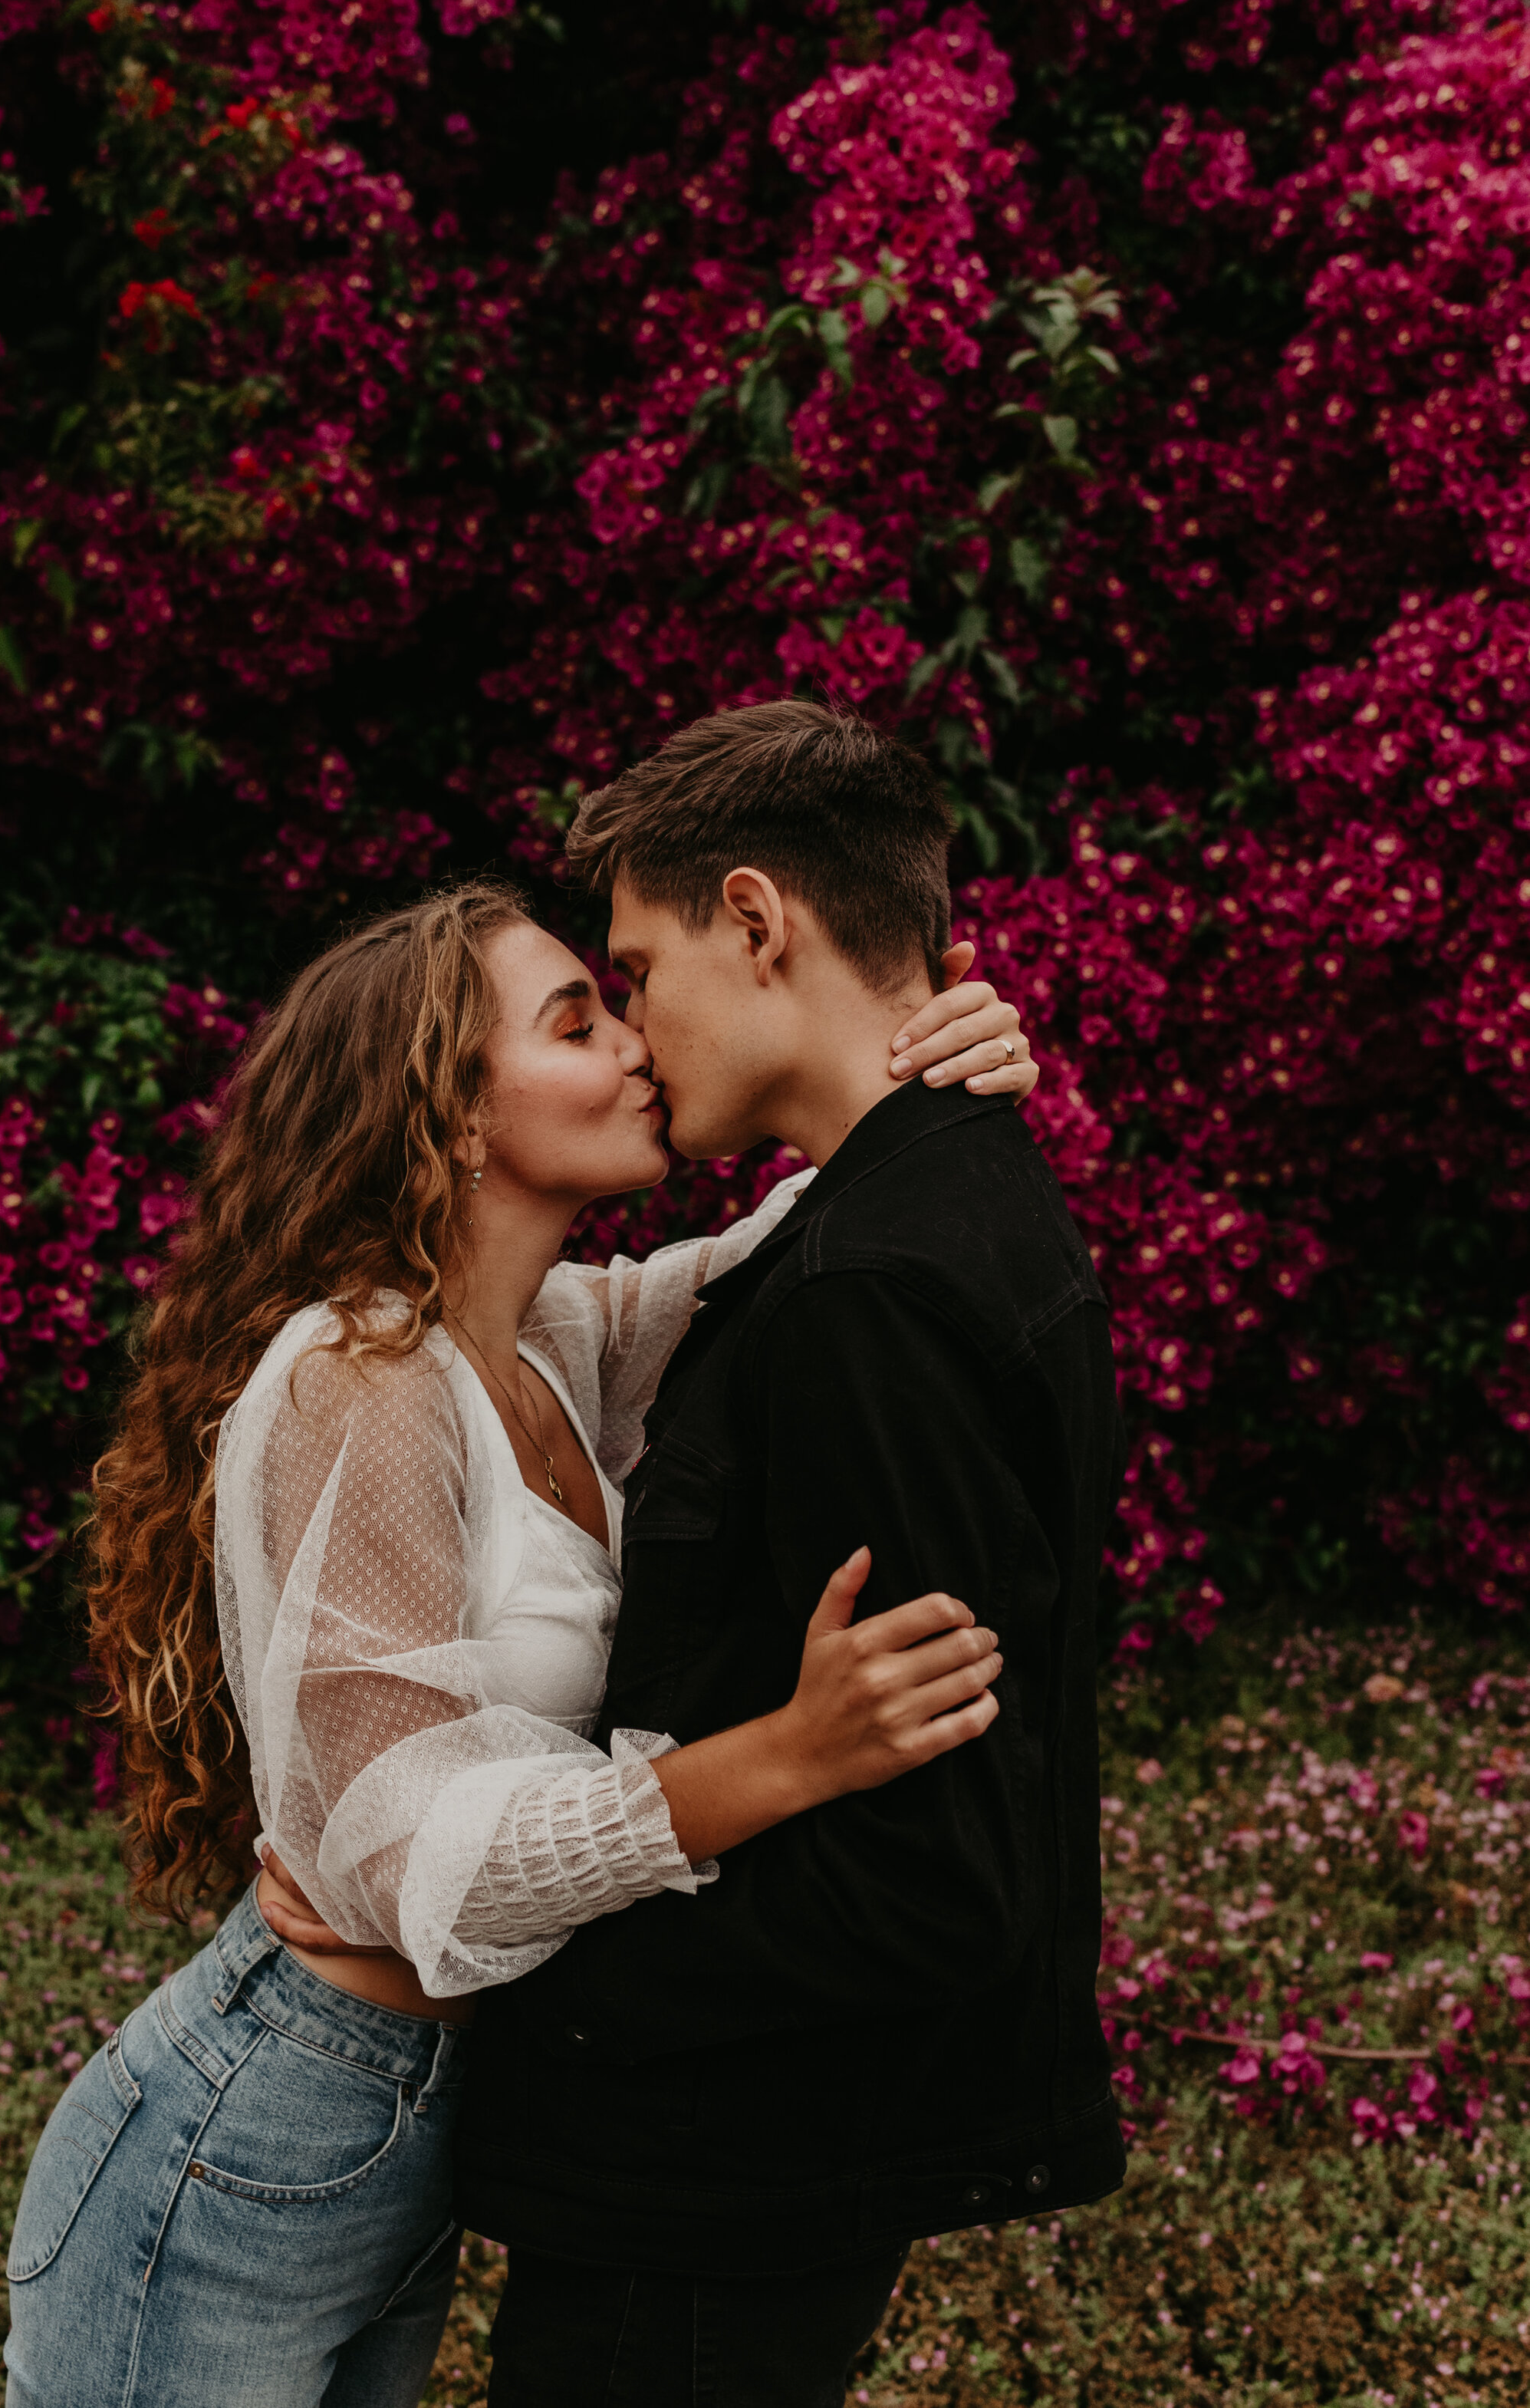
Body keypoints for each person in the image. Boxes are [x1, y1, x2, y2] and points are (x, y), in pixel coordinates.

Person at [0, 858, 1040, 2408]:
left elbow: (791, 1235)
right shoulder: (357, 1377)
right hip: (252, 2126)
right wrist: (781, 1759)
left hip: (408, 2122)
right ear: (452, 1109)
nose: (632, 1041)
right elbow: (408, 1861)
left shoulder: (551, 1342)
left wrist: (930, 1051)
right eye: (575, 1020)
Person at [431, 701, 1127, 2406]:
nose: (639, 1036)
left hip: (712, 2183)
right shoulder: (915, 1200)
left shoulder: (871, 1291)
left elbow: (932, 1871)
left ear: (756, 920)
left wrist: (550, 1988)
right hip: (742, 2163)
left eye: (637, 968)